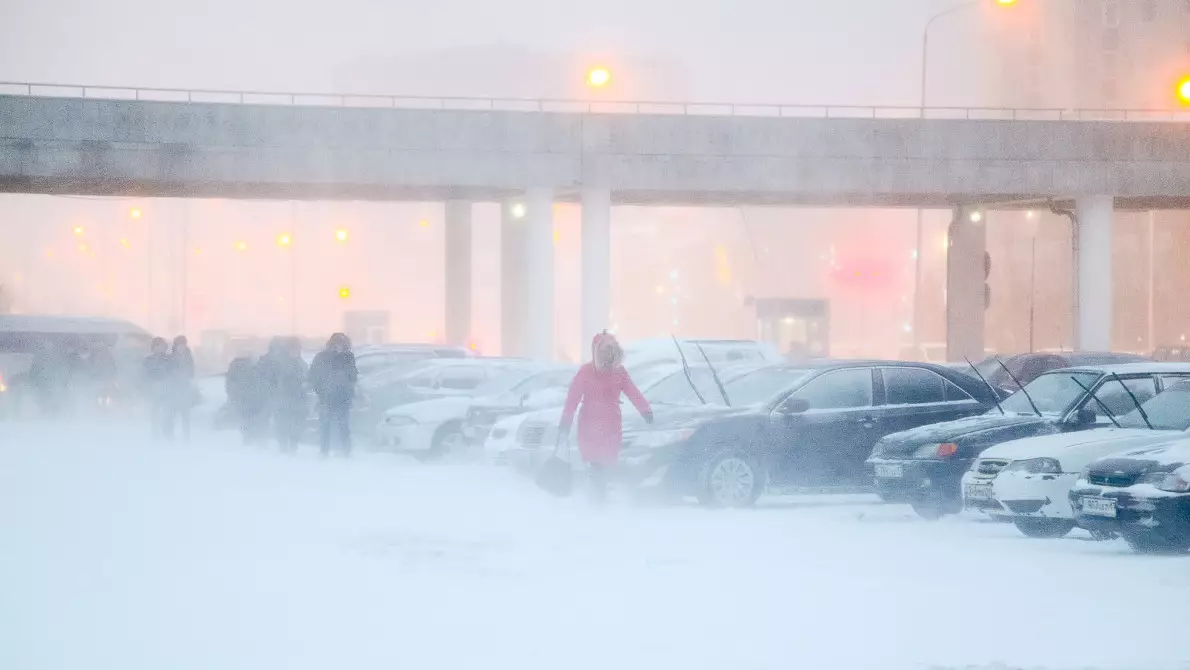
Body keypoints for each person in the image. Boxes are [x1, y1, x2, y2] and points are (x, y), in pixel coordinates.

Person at [558, 332, 653, 502]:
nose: (609, 356)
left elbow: (633, 392)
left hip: (611, 424)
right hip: (589, 423)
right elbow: (573, 397)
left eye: (612, 352)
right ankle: (598, 497)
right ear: (596, 351)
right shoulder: (585, 372)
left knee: (606, 462)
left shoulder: (619, 372)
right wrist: (566, 420)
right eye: (605, 351)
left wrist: (645, 409)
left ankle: (600, 495)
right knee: (596, 462)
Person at [309, 333, 357, 457]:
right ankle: (324, 452)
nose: (339, 347)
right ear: (331, 344)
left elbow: (353, 376)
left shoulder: (348, 357)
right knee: (325, 426)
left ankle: (346, 451)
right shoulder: (322, 357)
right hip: (326, 398)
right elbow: (314, 376)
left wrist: (348, 383)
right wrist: (321, 391)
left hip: (343, 397)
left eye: (342, 344)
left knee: (343, 426)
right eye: (336, 344)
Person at [257, 337, 307, 452]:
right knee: (282, 424)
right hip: (282, 399)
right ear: (288, 349)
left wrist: (305, 385)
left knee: (296, 425)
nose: (295, 351)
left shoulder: (301, 363)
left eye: (297, 349)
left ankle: (293, 446)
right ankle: (283, 447)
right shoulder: (279, 363)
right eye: (293, 349)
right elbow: (271, 379)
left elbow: (307, 377)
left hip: (297, 399)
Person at [164, 336, 196, 442]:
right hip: (173, 390)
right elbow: (167, 372)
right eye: (179, 345)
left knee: (185, 415)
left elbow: (192, 372)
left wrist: (186, 376)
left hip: (185, 389)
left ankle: (186, 438)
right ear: (176, 346)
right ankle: (169, 436)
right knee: (170, 415)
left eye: (183, 345)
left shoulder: (189, 357)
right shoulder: (170, 358)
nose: (181, 347)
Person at [142, 338, 172, 439]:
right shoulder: (147, 360)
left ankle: (167, 435)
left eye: (163, 346)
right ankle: (155, 436)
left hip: (166, 390)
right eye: (159, 346)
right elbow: (144, 375)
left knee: (167, 414)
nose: (162, 348)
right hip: (154, 391)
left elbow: (171, 374)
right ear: (154, 347)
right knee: (155, 414)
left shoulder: (168, 359)